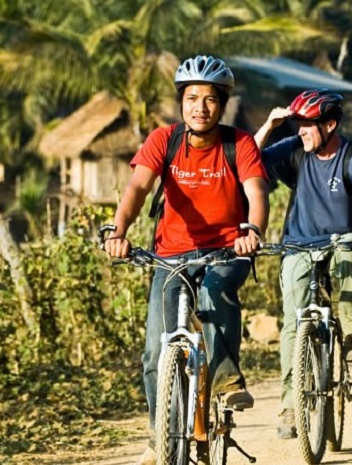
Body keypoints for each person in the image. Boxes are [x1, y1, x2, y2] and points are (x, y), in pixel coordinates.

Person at [102, 55, 269, 465]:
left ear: (222, 103)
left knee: (215, 293)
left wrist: (253, 231)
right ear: (181, 102)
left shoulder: (239, 143)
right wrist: (118, 230)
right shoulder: (164, 140)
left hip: (227, 251)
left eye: (209, 99)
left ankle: (227, 378)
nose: (200, 107)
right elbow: (138, 188)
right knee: (155, 351)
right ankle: (161, 436)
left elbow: (257, 194)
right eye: (192, 98)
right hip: (171, 255)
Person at [254, 89, 352, 440]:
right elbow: (248, 161)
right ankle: (291, 405)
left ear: (330, 124)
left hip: (344, 241)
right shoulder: (295, 150)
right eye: (298, 125)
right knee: (294, 325)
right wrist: (269, 125)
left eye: (308, 125)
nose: (301, 132)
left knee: (350, 257)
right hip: (298, 245)